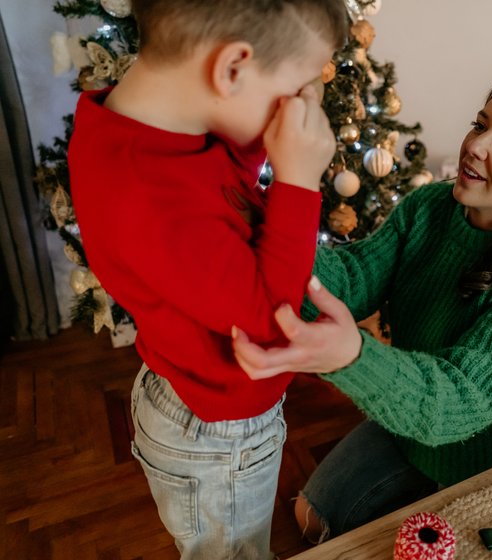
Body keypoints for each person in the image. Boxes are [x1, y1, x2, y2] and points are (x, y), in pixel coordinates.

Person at [232, 69, 492, 542]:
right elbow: (352, 278)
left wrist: (352, 356)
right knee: (309, 517)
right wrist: (279, 210)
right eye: (481, 124)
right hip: (409, 422)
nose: (477, 146)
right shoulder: (430, 206)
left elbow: (462, 399)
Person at [67, 1, 348, 558]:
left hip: (192, 390)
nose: (301, 107)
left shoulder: (142, 128)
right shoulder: (148, 199)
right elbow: (274, 322)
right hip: (219, 437)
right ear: (232, 69)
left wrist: (263, 137)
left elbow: (219, 186)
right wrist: (297, 179)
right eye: (295, 89)